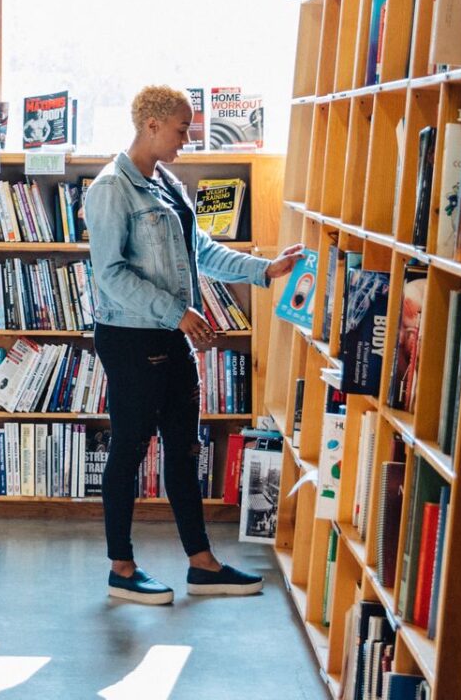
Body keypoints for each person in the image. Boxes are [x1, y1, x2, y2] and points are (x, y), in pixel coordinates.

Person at [85, 85, 304, 605]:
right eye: (183, 129)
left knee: (185, 449)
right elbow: (109, 275)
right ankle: (122, 568)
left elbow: (198, 250)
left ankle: (201, 564)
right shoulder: (111, 188)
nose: (188, 139)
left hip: (170, 336)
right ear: (153, 125)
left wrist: (264, 270)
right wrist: (177, 313)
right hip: (132, 338)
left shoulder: (165, 184)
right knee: (130, 449)